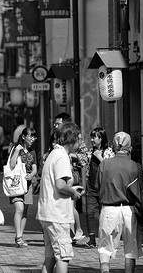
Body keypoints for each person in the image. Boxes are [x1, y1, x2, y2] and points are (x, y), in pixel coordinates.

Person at [36, 122, 84, 273]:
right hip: (57, 214)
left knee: (50, 256)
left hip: (47, 212)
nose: (81, 142)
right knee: (63, 256)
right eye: (79, 139)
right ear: (72, 139)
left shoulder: (53, 154)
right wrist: (73, 193)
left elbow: (56, 184)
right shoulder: (62, 156)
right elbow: (60, 185)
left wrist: (71, 189)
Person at [97, 132, 143, 273]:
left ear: (113, 146)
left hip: (108, 208)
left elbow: (98, 187)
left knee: (105, 247)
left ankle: (105, 271)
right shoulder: (135, 166)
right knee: (131, 248)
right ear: (129, 148)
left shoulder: (104, 164)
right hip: (129, 211)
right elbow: (142, 190)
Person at [53, 112, 89, 244]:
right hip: (60, 175)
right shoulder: (57, 138)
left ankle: (76, 231)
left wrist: (72, 156)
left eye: (58, 123)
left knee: (69, 205)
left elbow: (85, 158)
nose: (55, 126)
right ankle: (71, 232)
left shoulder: (76, 137)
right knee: (66, 205)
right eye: (55, 123)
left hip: (71, 175)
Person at [8, 127, 38, 248]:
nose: (33, 139)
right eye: (31, 136)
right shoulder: (16, 148)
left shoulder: (33, 152)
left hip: (28, 184)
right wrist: (16, 151)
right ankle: (18, 236)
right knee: (19, 208)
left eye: (34, 137)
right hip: (16, 183)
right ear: (24, 136)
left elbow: (35, 168)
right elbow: (11, 165)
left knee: (25, 211)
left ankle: (20, 236)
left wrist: (31, 174)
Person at [85, 127, 114, 248]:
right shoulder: (89, 152)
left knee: (104, 213)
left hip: (104, 187)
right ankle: (91, 239)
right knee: (89, 212)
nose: (92, 139)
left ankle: (104, 238)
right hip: (91, 186)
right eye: (91, 137)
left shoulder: (108, 151)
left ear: (101, 138)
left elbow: (110, 169)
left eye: (94, 137)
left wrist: (99, 157)